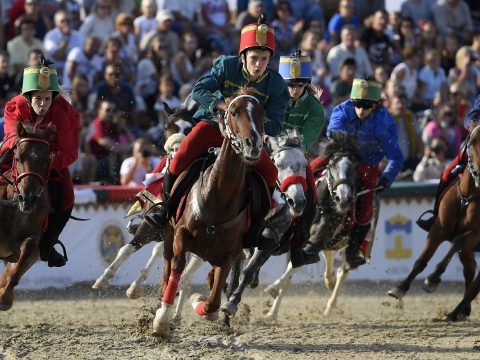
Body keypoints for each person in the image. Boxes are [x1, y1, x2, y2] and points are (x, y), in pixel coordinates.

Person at [144, 16, 290, 250]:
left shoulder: (276, 84)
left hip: (246, 140)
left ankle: (256, 229)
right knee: (180, 157)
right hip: (213, 127)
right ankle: (164, 208)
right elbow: (199, 90)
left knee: (271, 172)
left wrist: (254, 123)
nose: (258, 64)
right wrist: (224, 106)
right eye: (254, 58)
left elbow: (277, 124)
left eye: (264, 59)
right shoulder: (226, 66)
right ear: (243, 56)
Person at [304, 78, 404, 268]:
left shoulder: (384, 121)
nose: (361, 110)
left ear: (375, 105)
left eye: (366, 106)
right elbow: (333, 135)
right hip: (340, 153)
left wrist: (386, 178)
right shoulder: (341, 110)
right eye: (358, 104)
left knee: (366, 209)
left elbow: (395, 157)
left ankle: (353, 251)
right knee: (308, 173)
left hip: (367, 163)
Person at [2, 55, 80, 267]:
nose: (43, 104)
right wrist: (25, 152)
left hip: (49, 163)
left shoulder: (66, 113)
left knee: (67, 198)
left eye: (48, 99)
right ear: (28, 97)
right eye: (38, 99)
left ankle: (48, 244)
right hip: (19, 155)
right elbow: (11, 138)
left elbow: (70, 152)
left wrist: (47, 161)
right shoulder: (15, 106)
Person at [278, 50, 325, 265]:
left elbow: (306, 139)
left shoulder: (316, 108)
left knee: (312, 198)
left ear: (306, 84)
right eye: (289, 84)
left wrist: (289, 147)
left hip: (295, 157)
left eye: (298, 85)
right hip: (269, 151)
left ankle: (297, 249)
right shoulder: (274, 99)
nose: (293, 90)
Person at [416, 94, 480, 231]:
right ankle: (435, 214)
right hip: (477, 148)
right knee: (447, 172)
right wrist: (473, 125)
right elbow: (469, 118)